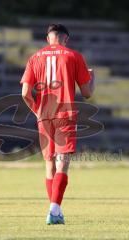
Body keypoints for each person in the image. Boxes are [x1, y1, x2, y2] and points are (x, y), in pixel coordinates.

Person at [20, 24, 95, 225]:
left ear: (48, 38)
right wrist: (92, 78)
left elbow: (25, 94)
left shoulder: (34, 57)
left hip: (44, 115)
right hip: (65, 113)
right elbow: (87, 94)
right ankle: (54, 210)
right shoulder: (73, 56)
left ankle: (54, 209)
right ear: (65, 39)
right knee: (63, 161)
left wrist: (37, 111)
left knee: (49, 163)